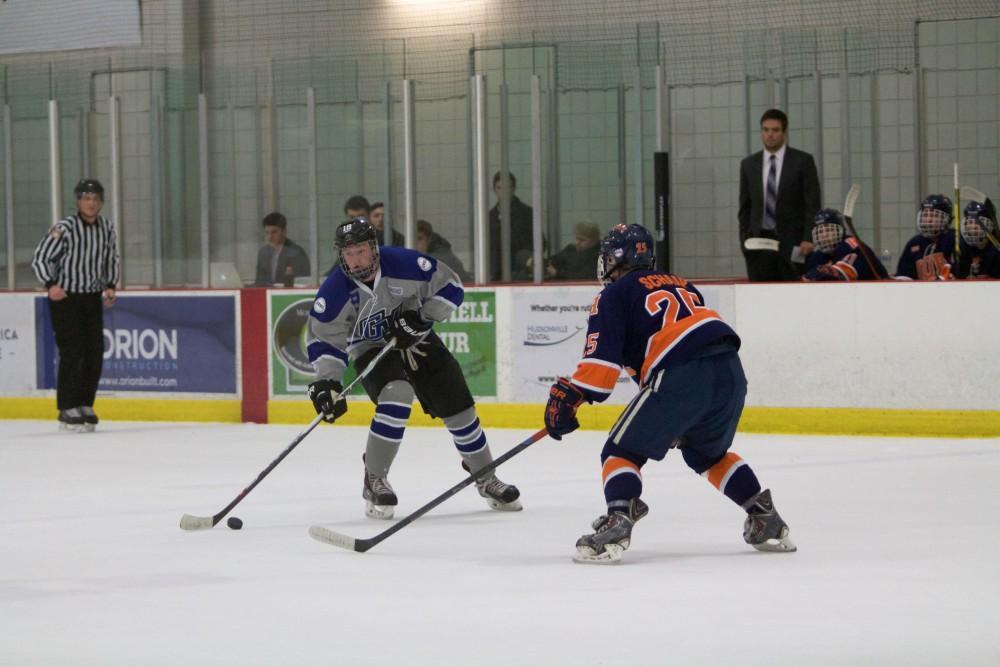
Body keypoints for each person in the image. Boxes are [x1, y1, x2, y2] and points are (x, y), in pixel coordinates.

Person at [543, 223, 795, 564]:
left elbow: (600, 371)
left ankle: (619, 518)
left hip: (683, 371)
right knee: (707, 455)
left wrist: (570, 395)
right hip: (731, 372)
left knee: (620, 451)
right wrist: (675, 416)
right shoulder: (681, 283)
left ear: (616, 259)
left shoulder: (613, 295)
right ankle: (764, 516)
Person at [306, 216, 521, 519]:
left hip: (419, 340)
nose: (355, 260)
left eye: (361, 251)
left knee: (458, 404)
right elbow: (325, 341)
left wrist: (421, 318)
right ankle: (375, 477)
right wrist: (327, 383)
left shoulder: (404, 264)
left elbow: (452, 287)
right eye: (349, 253)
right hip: (370, 349)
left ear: (374, 248)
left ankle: (485, 476)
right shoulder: (335, 290)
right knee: (397, 393)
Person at [31, 178, 120, 432]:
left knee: (93, 351)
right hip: (66, 298)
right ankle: (67, 407)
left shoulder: (107, 228)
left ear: (101, 202)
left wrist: (111, 284)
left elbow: (111, 258)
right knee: (73, 350)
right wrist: (50, 285)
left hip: (91, 297)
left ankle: (84, 403)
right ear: (78, 201)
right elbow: (41, 257)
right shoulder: (65, 227)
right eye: (86, 198)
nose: (91, 203)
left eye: (95, 199)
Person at [738, 108, 821, 281]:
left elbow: (812, 203)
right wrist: (745, 240)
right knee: (759, 293)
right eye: (765, 130)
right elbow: (745, 207)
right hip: (758, 243)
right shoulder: (749, 164)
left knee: (794, 289)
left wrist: (808, 238)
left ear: (784, 132)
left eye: (775, 130)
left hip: (794, 244)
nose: (770, 135)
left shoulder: (802, 161)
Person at [802, 209, 889, 281]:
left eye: (828, 230)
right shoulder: (820, 254)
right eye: (820, 231)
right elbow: (795, 270)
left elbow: (840, 276)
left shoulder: (852, 246)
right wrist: (799, 253)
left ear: (840, 230)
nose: (824, 235)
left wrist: (809, 276)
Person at [488, 171, 537, 281]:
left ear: (513, 188)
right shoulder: (489, 217)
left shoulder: (527, 213)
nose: (503, 192)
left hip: (521, 273)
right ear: (494, 190)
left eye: (507, 187)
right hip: (496, 274)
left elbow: (540, 243)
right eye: (499, 188)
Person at [894, 195, 956, 280]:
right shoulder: (914, 243)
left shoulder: (954, 240)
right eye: (925, 215)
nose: (928, 220)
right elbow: (904, 276)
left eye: (934, 216)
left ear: (947, 219)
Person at [253, 212, 310, 286]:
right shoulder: (263, 253)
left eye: (274, 232)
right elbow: (259, 281)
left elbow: (302, 281)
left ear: (284, 231)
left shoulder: (296, 253)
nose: (270, 237)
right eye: (267, 233)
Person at [954, 199, 1000, 279]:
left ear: (990, 225)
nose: (973, 227)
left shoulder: (996, 248)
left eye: (979, 222)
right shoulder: (960, 246)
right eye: (970, 222)